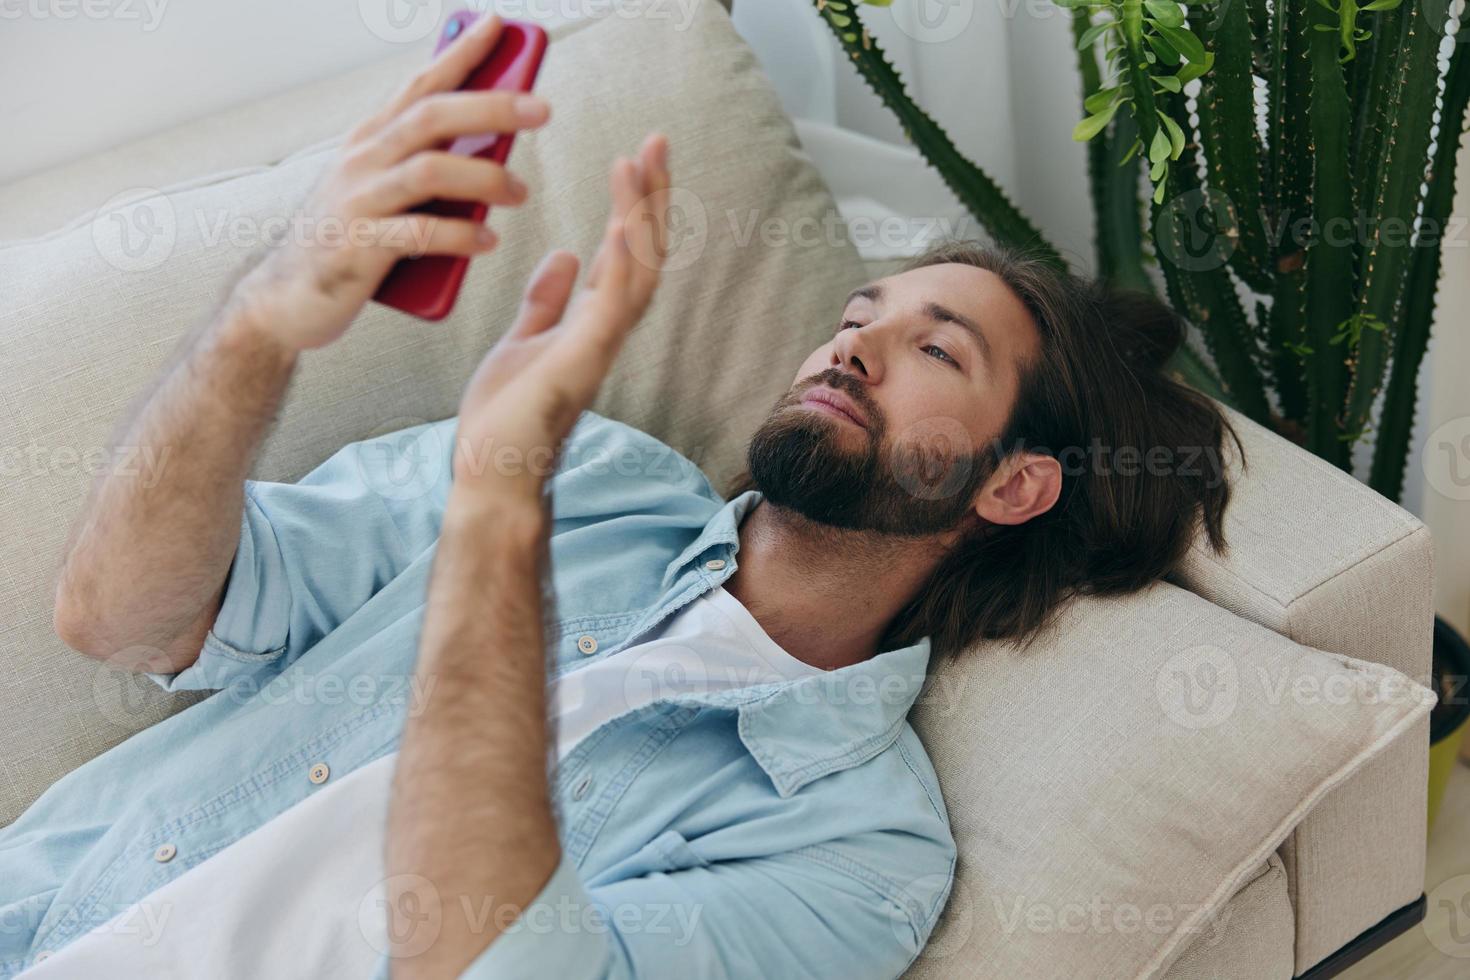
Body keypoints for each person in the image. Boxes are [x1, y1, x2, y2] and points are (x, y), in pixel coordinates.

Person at [4, 13, 1240, 979]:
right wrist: (262, 323)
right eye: (857, 314)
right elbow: (120, 618)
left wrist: (499, 512)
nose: (848, 347)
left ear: (1015, 484)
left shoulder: (860, 851)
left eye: (936, 350)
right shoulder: (596, 475)